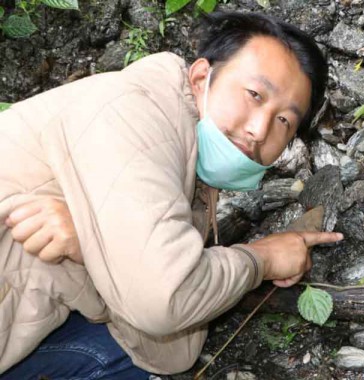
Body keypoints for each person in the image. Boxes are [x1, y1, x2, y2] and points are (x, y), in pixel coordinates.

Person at [0, 11, 343, 379]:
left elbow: (173, 351)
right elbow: (167, 301)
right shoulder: (132, 112)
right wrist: (262, 260)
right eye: (254, 95)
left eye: (283, 121)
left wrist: (91, 248)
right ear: (200, 78)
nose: (259, 130)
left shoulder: (194, 176)